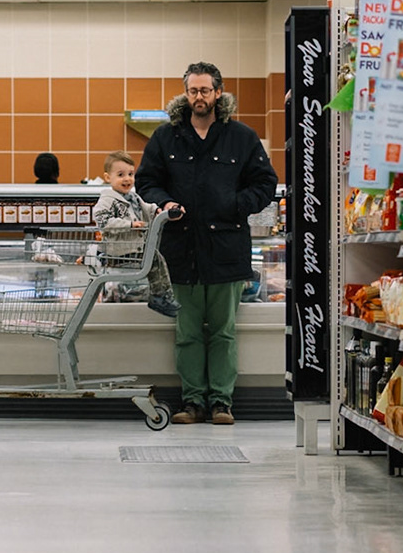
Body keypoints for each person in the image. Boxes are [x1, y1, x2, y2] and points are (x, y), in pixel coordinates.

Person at [136, 62, 278, 426]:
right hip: (180, 252)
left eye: (205, 90)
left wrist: (236, 205)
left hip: (226, 251)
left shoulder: (241, 137)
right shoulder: (166, 137)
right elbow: (146, 181)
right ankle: (192, 402)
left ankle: (221, 403)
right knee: (186, 334)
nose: (199, 97)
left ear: (218, 93)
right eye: (193, 91)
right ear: (185, 94)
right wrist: (165, 203)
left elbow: (265, 184)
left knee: (223, 333)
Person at [91, 150, 177, 318]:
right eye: (121, 174)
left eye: (131, 174)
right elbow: (103, 222)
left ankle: (161, 296)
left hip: (133, 249)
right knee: (155, 261)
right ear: (108, 178)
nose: (127, 179)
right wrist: (129, 225)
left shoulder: (134, 197)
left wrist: (160, 210)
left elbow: (147, 208)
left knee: (156, 260)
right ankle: (160, 296)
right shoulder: (108, 200)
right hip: (119, 251)